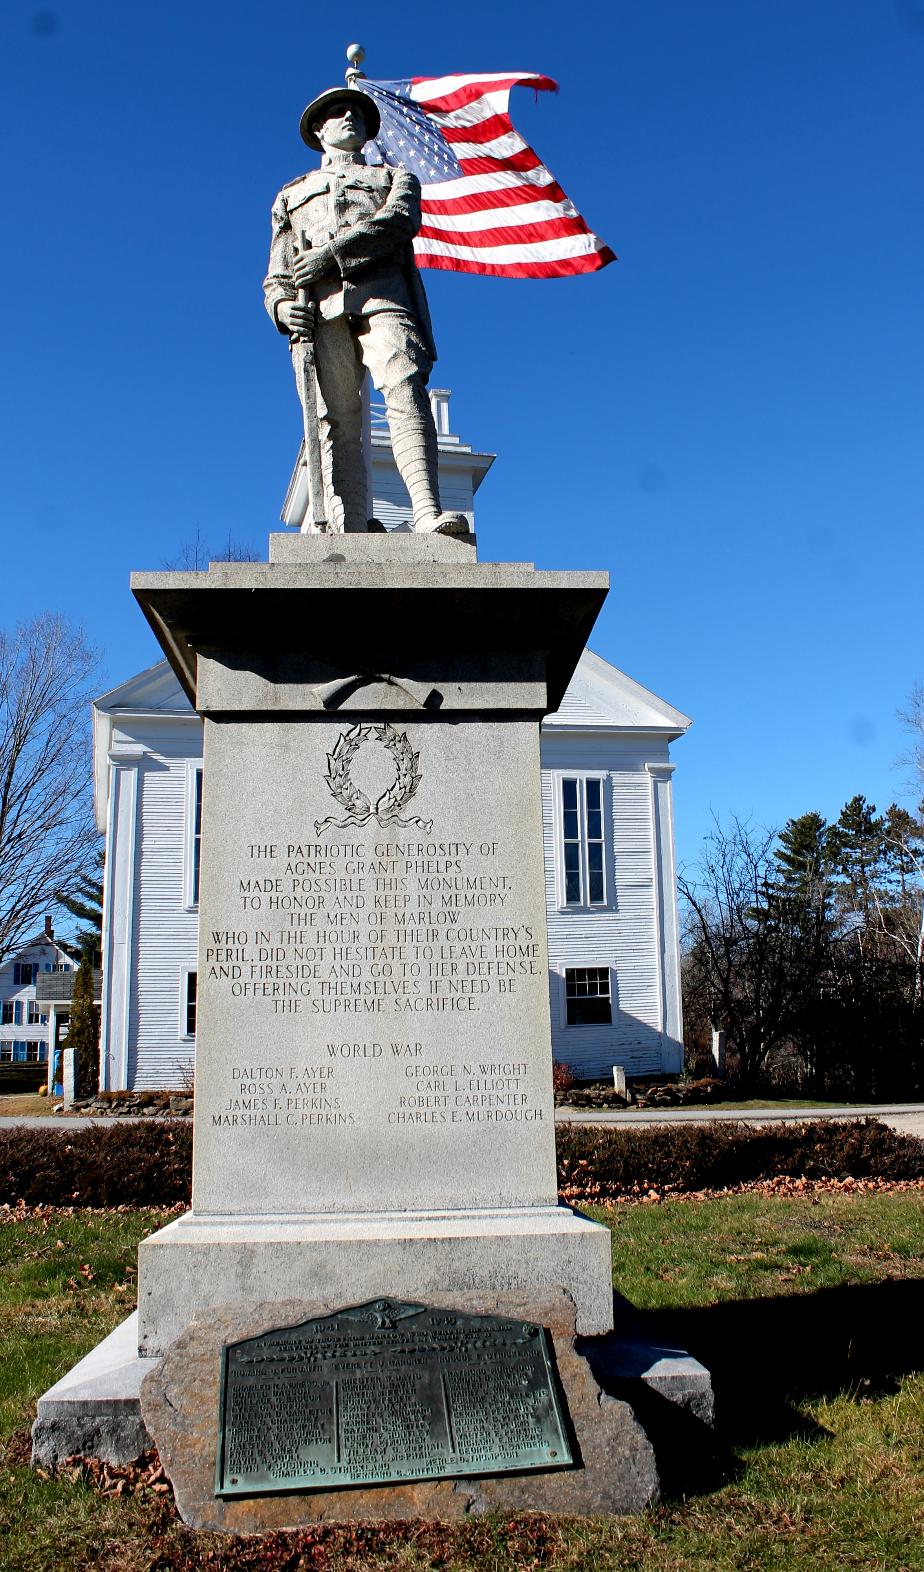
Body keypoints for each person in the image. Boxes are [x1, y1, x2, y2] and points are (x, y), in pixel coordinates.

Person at [263, 86, 468, 536]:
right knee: (336, 419)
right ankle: (349, 524)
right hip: (319, 311)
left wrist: (332, 255)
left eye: (356, 111)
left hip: (383, 295)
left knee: (404, 387)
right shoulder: (291, 196)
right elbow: (277, 273)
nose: (349, 116)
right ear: (319, 130)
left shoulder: (397, 178)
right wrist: (281, 308)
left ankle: (426, 512)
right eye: (337, 112)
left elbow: (396, 223)